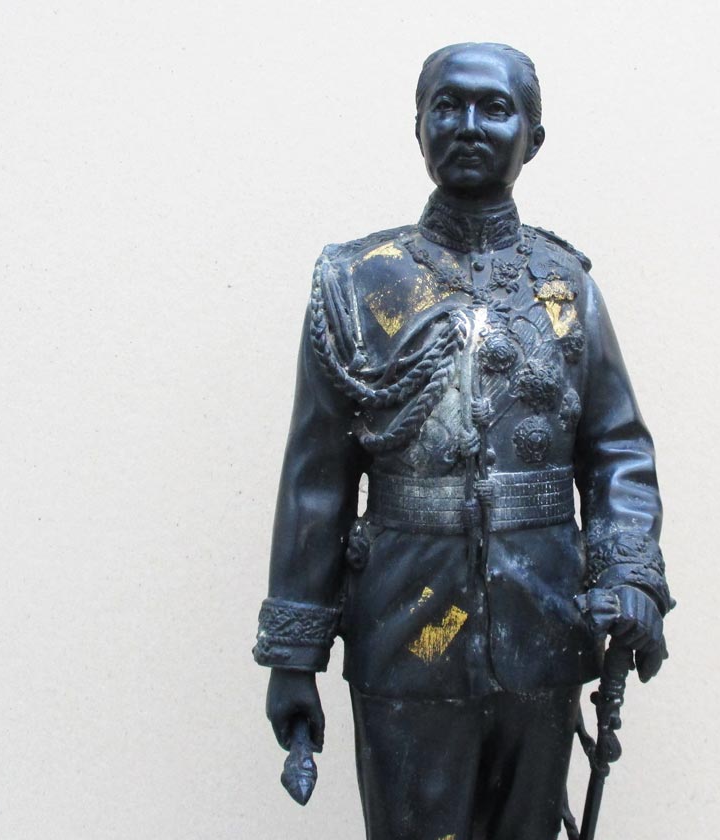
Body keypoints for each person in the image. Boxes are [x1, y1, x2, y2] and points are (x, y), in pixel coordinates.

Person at [254, 42, 674, 840]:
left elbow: (618, 451)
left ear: (533, 138)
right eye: (447, 106)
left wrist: (630, 578)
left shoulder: (566, 286)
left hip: (545, 624)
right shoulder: (356, 283)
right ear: (417, 128)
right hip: (404, 627)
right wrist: (293, 656)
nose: (470, 125)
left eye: (496, 108)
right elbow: (316, 479)